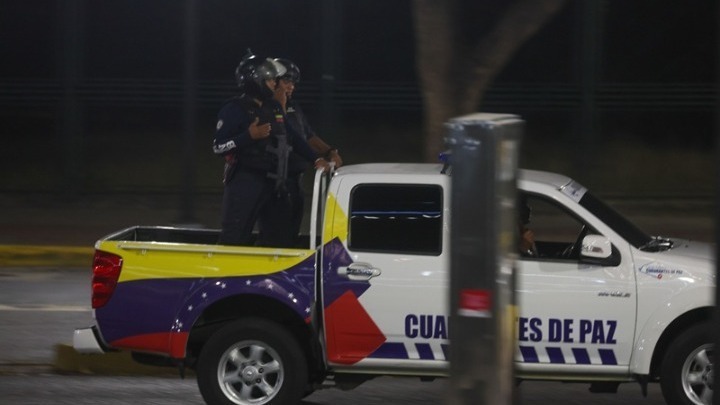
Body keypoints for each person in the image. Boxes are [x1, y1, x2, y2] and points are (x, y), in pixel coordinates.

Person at [213, 51, 328, 247]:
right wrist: (248, 136)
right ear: (255, 81)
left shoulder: (273, 108)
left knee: (278, 241)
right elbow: (218, 147)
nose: (275, 83)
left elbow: (293, 136)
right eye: (270, 80)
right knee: (234, 238)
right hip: (246, 182)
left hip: (275, 183)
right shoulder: (235, 108)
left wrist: (316, 159)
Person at [273, 58, 343, 237]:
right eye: (286, 81)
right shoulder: (266, 108)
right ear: (273, 81)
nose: (291, 87)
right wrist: (279, 106)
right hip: (276, 183)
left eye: (293, 83)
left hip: (296, 180)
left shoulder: (294, 106)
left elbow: (308, 136)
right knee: (276, 235)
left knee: (292, 231)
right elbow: (284, 134)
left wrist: (330, 152)